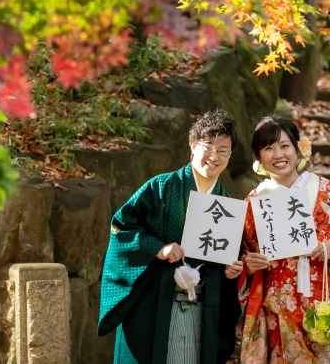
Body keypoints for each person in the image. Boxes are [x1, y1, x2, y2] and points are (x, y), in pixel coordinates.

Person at [98, 109, 244, 364]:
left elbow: (228, 261)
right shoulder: (160, 187)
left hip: (200, 306)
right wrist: (158, 248)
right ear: (192, 146)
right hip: (154, 304)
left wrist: (232, 271)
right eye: (208, 146)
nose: (214, 156)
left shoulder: (227, 204)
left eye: (223, 150)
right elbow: (121, 227)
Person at [239, 116, 330, 364]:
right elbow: (242, 253)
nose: (278, 155)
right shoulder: (253, 202)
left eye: (284, 145)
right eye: (268, 148)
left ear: (298, 148)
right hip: (277, 306)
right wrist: (248, 266)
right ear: (258, 157)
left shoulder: (327, 191)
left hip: (323, 302)